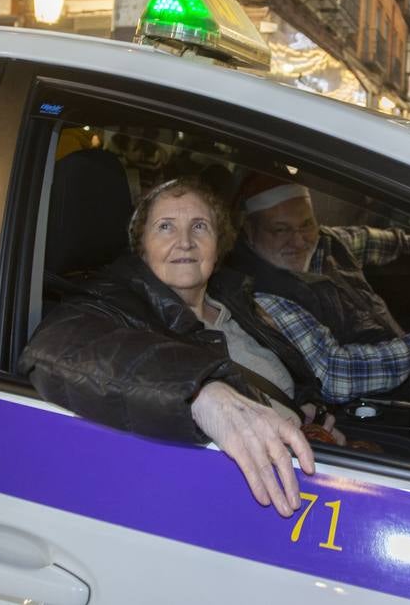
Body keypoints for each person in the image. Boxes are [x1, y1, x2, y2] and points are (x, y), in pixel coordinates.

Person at [19, 177, 328, 517]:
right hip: (224, 498)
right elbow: (54, 346)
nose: (185, 242)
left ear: (219, 243)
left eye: (199, 226)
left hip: (305, 461)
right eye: (166, 227)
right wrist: (199, 392)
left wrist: (308, 409)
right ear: (142, 246)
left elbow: (285, 375)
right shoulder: (116, 301)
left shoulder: (234, 299)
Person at [227, 174, 410, 405]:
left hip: (406, 371)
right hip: (375, 401)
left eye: (306, 224)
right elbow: (333, 375)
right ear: (250, 230)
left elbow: (371, 240)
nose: (299, 240)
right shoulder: (262, 293)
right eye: (281, 230)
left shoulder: (327, 243)